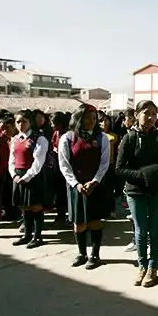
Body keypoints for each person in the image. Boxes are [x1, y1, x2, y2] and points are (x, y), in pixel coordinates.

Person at [116, 100, 158, 287]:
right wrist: (141, 176)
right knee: (140, 230)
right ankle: (141, 265)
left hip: (157, 190)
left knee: (156, 228)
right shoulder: (129, 138)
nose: (150, 117)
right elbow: (120, 168)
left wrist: (154, 174)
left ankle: (153, 266)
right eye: (146, 113)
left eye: (154, 114)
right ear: (137, 114)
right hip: (135, 190)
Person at [58, 104, 112, 268]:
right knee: (79, 223)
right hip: (76, 185)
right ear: (79, 118)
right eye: (88, 117)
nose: (91, 121)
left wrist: (95, 181)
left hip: (96, 185)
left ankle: (95, 255)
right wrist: (76, 184)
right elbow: (64, 164)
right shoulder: (67, 138)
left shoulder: (102, 138)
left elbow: (104, 163)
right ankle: (82, 253)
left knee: (95, 221)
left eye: (94, 118)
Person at [9, 110, 50, 249]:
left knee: (35, 207)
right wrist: (14, 175)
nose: (21, 124)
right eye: (18, 121)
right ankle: (27, 234)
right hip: (18, 174)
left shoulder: (39, 138)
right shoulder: (15, 139)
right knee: (25, 206)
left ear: (30, 122)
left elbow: (38, 161)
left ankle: (37, 236)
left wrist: (27, 177)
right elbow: (12, 160)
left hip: (33, 175)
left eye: (24, 121)